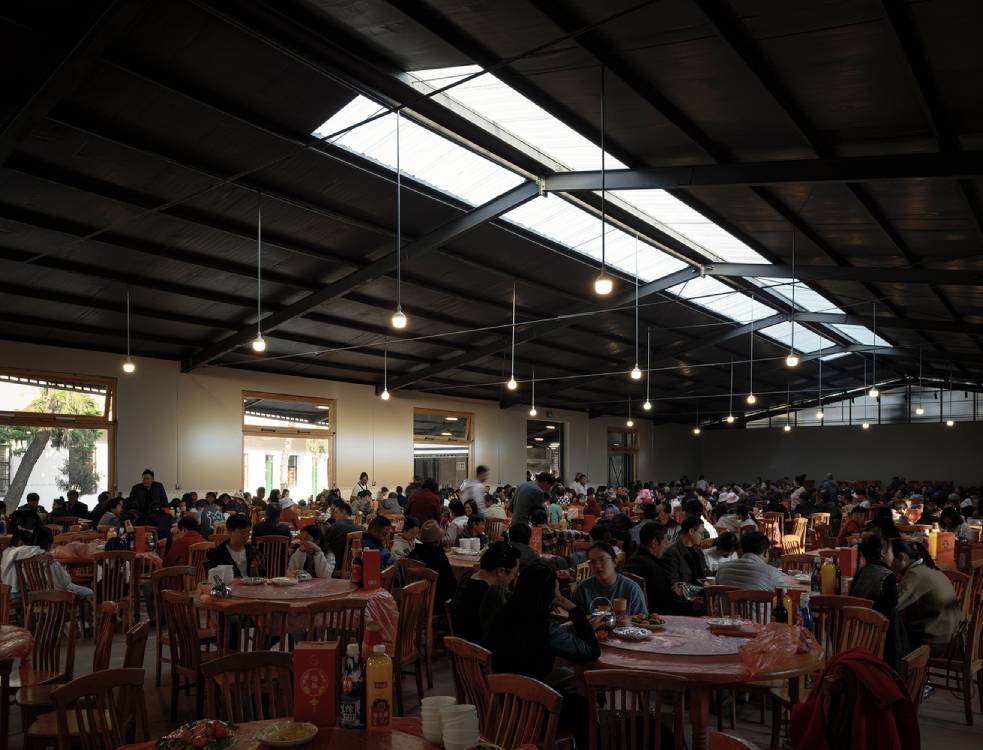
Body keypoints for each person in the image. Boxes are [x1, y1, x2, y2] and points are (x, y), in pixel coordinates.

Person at [486, 563, 599, 750]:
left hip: (501, 702)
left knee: (567, 682)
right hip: (531, 709)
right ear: (547, 594)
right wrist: (575, 610)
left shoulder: (504, 612)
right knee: (582, 707)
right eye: (555, 589)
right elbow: (590, 652)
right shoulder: (544, 628)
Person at [891, 538, 961, 656]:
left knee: (890, 640)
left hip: (937, 643)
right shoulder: (926, 567)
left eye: (889, 556)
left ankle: (894, 673)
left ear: (902, 557)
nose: (888, 562)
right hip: (952, 637)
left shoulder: (915, 574)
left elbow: (893, 604)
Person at [850, 531, 908, 670]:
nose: (893, 556)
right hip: (882, 637)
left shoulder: (862, 571)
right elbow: (892, 606)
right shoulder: (888, 576)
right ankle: (898, 670)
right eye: (891, 552)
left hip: (859, 633)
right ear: (883, 552)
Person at [450, 541, 520, 646]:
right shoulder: (490, 594)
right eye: (514, 573)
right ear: (500, 571)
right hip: (480, 654)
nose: (514, 577)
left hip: (462, 649)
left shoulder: (468, 578)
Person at [625, 522, 695, 615]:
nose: (667, 546)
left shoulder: (633, 559)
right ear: (654, 543)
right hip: (655, 616)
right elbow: (665, 605)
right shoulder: (653, 568)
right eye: (665, 542)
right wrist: (692, 605)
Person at [571, 542, 646, 615]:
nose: (597, 565)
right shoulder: (582, 589)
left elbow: (642, 620)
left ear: (615, 562)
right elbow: (575, 620)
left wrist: (629, 623)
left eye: (602, 560)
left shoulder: (631, 589)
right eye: (592, 562)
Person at [715, 531, 788, 591]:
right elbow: (784, 593)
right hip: (760, 609)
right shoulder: (772, 573)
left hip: (725, 609)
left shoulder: (722, 569)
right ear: (765, 552)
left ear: (742, 550)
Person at [409, 520, 457, 605]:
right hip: (436, 597)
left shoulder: (416, 551)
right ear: (438, 540)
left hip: (412, 596)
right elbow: (450, 580)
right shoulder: (438, 554)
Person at [206, 514, 264, 578]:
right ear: (230, 532)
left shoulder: (253, 551)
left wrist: (254, 568)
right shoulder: (219, 553)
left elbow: (259, 579)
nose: (246, 536)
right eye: (243, 533)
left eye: (248, 532)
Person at [662, 516, 707, 585]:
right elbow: (674, 583)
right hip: (686, 594)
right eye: (701, 533)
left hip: (701, 591)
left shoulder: (698, 551)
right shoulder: (672, 552)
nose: (703, 537)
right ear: (691, 531)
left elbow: (704, 574)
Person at [322, 499, 364, 564]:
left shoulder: (335, 526)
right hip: (356, 565)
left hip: (336, 564)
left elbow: (324, 544)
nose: (334, 515)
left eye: (336, 512)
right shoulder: (361, 529)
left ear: (344, 512)